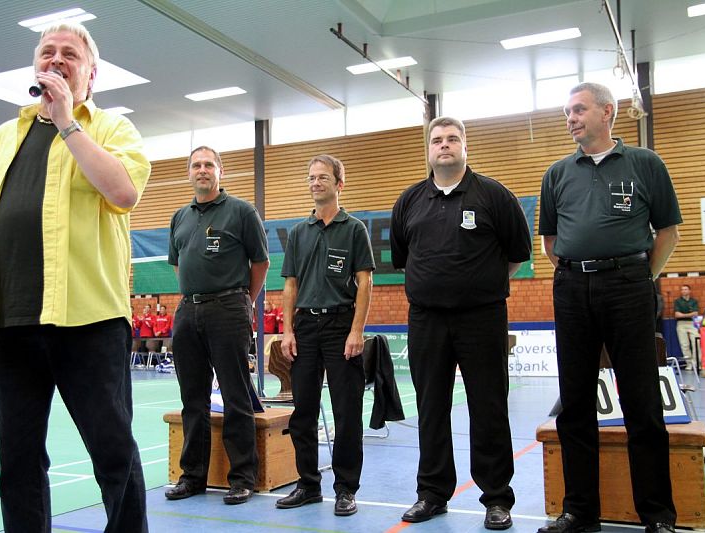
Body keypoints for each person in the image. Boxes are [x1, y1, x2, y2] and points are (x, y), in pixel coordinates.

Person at [0, 21, 149, 532]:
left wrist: (67, 124)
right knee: (18, 461)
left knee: (113, 454)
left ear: (91, 74)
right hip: (13, 323)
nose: (56, 60)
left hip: (91, 320)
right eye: (47, 52)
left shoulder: (111, 129)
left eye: (69, 54)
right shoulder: (2, 139)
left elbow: (123, 193)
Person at [538, 82, 680, 533]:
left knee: (642, 401)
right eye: (566, 112)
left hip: (630, 286)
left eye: (578, 110)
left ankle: (657, 514)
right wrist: (582, 272)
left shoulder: (645, 163)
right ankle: (580, 512)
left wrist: (639, 277)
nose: (571, 118)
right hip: (573, 288)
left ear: (607, 112)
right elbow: (550, 243)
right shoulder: (557, 173)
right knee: (575, 404)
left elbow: (668, 232)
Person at [390, 116, 530, 530]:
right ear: (428, 149)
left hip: (482, 317)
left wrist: (478, 285)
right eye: (437, 140)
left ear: (465, 145)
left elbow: (517, 254)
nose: (444, 145)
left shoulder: (494, 196)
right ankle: (432, 494)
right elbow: (403, 259)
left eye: (452, 138)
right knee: (431, 408)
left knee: (488, 406)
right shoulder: (410, 200)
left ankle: (497, 499)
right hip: (426, 319)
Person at [165, 146, 269, 505]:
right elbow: (178, 265)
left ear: (220, 171)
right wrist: (195, 294)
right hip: (188, 312)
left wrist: (241, 300)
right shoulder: (179, 216)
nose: (202, 170)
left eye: (209, 164)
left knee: (235, 394)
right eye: (196, 165)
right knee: (192, 399)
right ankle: (193, 477)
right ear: (189, 173)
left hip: (229, 309)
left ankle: (243, 477)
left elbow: (260, 263)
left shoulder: (241, 212)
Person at [275, 155, 375, 516]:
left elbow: (365, 282)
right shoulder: (300, 232)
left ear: (338, 184)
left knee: (346, 411)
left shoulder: (355, 229)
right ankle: (308, 484)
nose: (316, 182)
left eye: (323, 177)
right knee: (302, 411)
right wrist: (286, 329)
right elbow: (290, 285)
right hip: (304, 329)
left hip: (340, 326)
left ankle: (346, 489)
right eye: (311, 177)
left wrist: (356, 330)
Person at [674, 284, 699, 370]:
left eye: (685, 289)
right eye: (682, 289)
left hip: (692, 323)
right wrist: (689, 314)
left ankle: (697, 363)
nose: (684, 291)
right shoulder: (677, 301)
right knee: (684, 344)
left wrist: (683, 314)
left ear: (689, 291)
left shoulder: (694, 301)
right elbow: (677, 315)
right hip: (681, 324)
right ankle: (689, 364)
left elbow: (695, 313)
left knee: (696, 343)